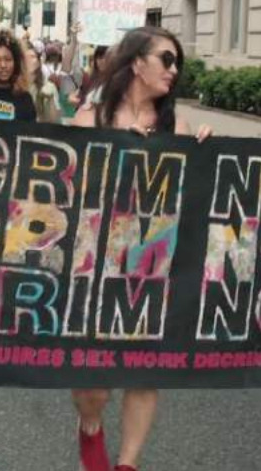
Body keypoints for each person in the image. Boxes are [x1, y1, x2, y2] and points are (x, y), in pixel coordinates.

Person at [71, 26, 211, 471]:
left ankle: (127, 464)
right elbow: (69, 195)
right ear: (136, 63)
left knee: (144, 372)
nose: (174, 70)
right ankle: (90, 426)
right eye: (165, 59)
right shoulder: (88, 120)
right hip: (95, 266)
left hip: (154, 267)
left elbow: (191, 202)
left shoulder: (177, 126)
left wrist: (202, 155)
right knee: (94, 384)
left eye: (177, 63)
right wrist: (117, 149)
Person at [27, 44, 61, 124]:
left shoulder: (49, 86)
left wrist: (51, 99)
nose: (28, 60)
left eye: (32, 56)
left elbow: (54, 120)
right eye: (24, 57)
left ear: (39, 62)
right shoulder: (13, 86)